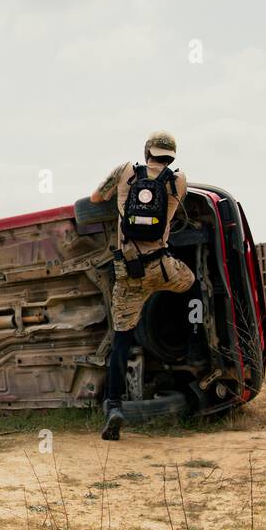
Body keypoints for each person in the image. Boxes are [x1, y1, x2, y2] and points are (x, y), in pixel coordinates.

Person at [90, 130, 195, 441]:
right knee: (192, 285)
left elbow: (96, 198)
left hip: (131, 273)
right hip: (164, 268)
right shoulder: (178, 181)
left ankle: (114, 406)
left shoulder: (125, 172)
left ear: (147, 150)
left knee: (121, 339)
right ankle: (191, 343)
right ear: (172, 156)